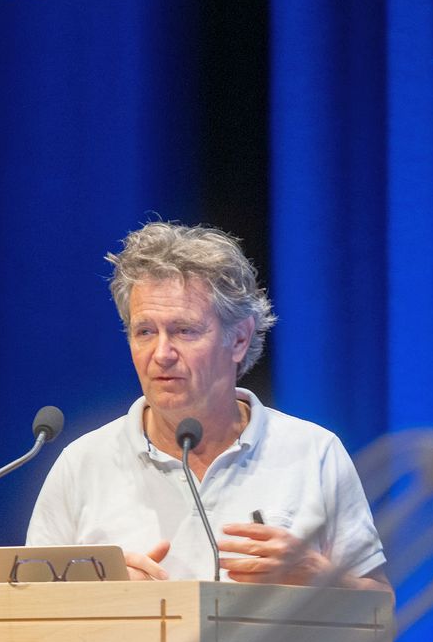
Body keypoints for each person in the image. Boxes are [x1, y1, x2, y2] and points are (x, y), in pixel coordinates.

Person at [26, 221, 388, 589]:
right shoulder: (82, 464)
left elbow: (381, 605)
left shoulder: (314, 453)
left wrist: (318, 577)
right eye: (145, 332)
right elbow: (26, 609)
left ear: (240, 339)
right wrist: (101, 595)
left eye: (184, 331)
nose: (161, 354)